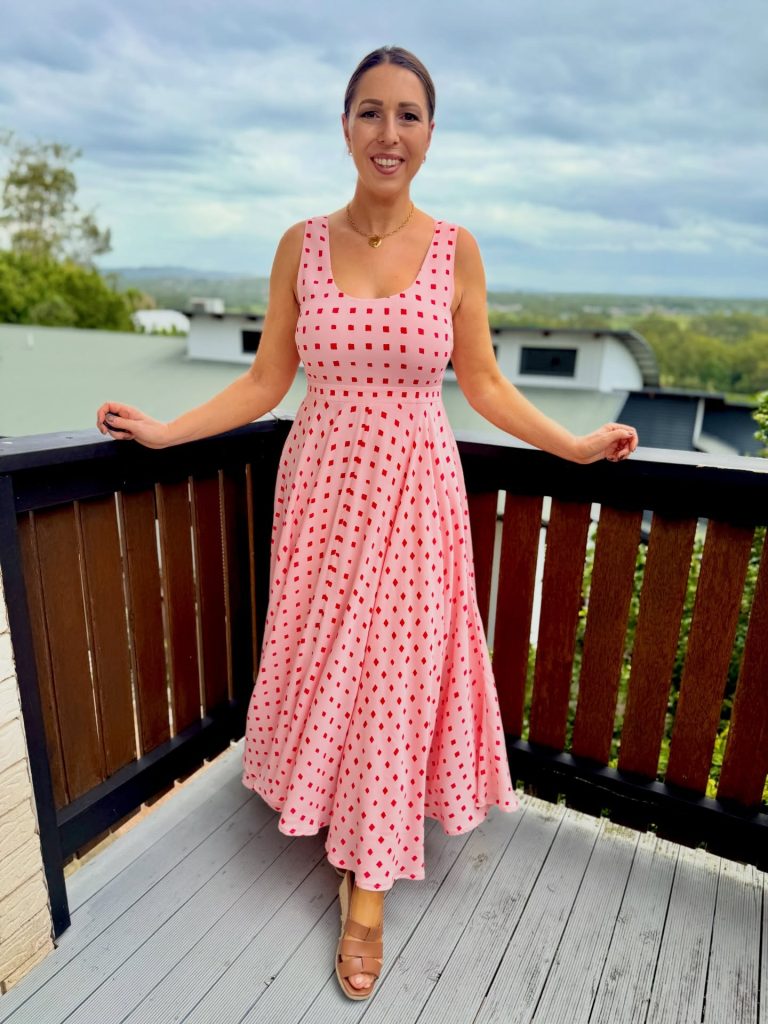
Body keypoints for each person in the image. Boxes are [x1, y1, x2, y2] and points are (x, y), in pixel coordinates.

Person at [96, 45, 638, 1000]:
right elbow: (269, 382)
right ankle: (344, 816)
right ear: (344, 125)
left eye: (410, 116)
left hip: (417, 494)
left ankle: (369, 888)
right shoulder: (299, 244)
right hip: (320, 491)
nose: (390, 134)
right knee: (331, 664)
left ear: (431, 134)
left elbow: (484, 386)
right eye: (371, 113)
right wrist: (168, 430)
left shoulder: (455, 248)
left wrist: (575, 448)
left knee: (393, 673)